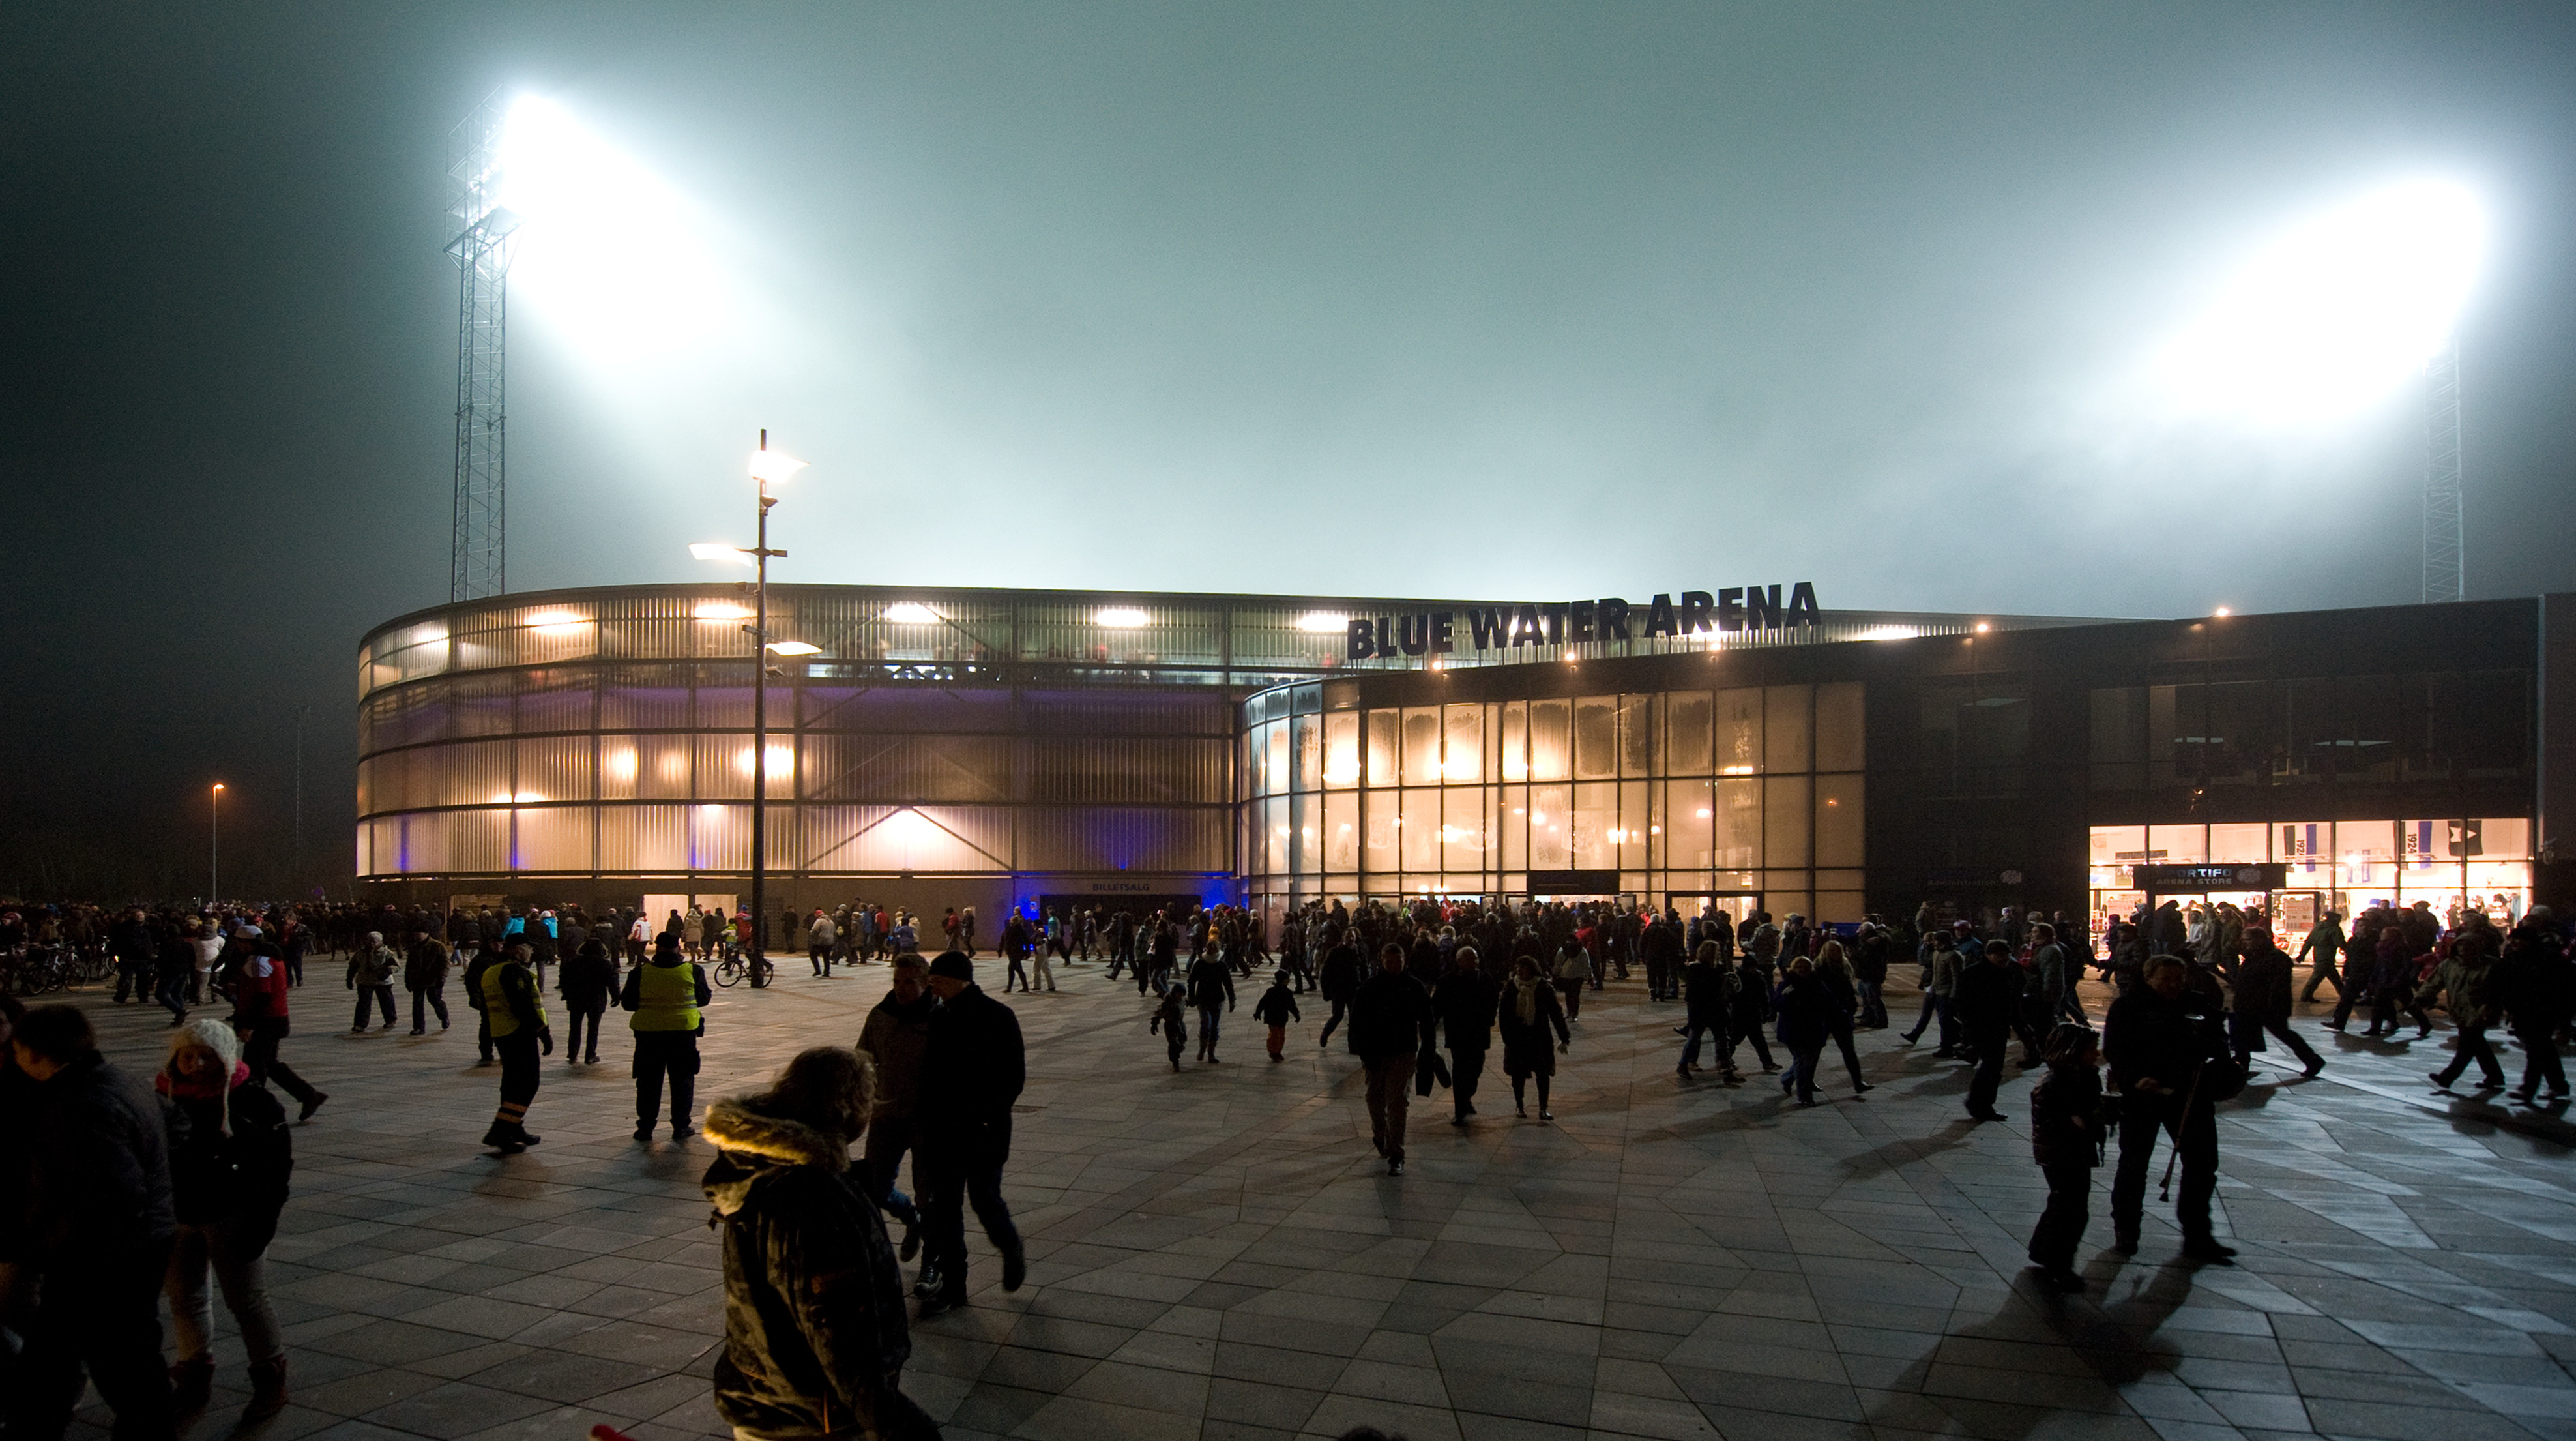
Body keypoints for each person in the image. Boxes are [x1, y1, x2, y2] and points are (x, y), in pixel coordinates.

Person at [701, 1048, 939, 1440]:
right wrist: (896, 1424)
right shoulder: (814, 1198)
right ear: (844, 1109)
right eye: (867, 1099)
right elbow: (837, 1331)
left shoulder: (761, 1168)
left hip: (765, 1396)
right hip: (811, 1415)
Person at [8, 1005, 178, 1441]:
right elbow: (176, 1125)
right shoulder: (114, 1080)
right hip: (130, 1247)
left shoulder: (81, 1105)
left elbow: (115, 1197)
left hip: (101, 1260)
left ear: (32, 1052)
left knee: (118, 1364)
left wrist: (65, 1248)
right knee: (71, 1361)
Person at [157, 1018, 293, 1420]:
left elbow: (275, 1169)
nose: (197, 1065)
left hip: (233, 1215)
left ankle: (270, 1377)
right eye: (188, 1056)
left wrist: (262, 1223)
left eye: (208, 1057)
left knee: (246, 1299)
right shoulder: (163, 1099)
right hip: (179, 1216)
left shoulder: (253, 1101)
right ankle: (194, 1373)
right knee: (185, 1298)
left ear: (226, 1058)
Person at [915, 953, 1025, 1317]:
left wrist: (986, 1117)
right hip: (943, 1131)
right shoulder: (939, 1016)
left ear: (956, 981)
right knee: (946, 1209)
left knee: (984, 1200)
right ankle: (954, 1287)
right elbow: (930, 1075)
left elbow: (1013, 1078)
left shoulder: (998, 1016)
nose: (933, 988)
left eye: (937, 982)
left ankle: (1010, 1246)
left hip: (983, 1131)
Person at [2105, 955, 2236, 1264]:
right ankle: (2126, 1228)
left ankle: (2198, 1234)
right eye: (2166, 979)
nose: (2174, 985)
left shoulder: (2197, 1003)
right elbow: (2116, 1049)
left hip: (2189, 1094)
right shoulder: (2128, 1006)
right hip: (2144, 1094)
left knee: (2202, 1164)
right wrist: (2136, 1078)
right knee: (2134, 1164)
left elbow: (2219, 1042)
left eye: (2179, 979)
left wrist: (2212, 1046)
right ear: (2149, 977)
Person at [855, 955, 933, 1292]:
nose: (901, 989)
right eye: (897, 982)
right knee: (875, 1186)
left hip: (928, 1120)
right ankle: (911, 1218)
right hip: (886, 1115)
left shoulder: (940, 1018)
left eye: (909, 983)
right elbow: (863, 1059)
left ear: (926, 984)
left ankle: (932, 1263)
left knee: (929, 1194)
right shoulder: (881, 1015)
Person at [2026, 1022, 2106, 1293]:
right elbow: (2050, 1120)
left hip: (2078, 1149)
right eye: (2090, 1049)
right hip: (2060, 1152)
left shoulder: (2087, 1076)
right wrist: (2076, 1122)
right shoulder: (2054, 1083)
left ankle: (2043, 1250)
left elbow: (2093, 1111)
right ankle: (2059, 1264)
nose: (2096, 1054)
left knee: (2064, 1202)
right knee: (2072, 1208)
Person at [1349, 942, 1435, 1173]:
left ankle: (1397, 1153)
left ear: (1405, 961)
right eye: (1390, 962)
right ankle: (1381, 1134)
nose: (1395, 966)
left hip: (1403, 1052)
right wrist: (1362, 1051)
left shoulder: (1413, 986)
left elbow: (1427, 1018)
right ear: (1382, 961)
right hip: (1375, 1052)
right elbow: (1357, 1020)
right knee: (1374, 1100)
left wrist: (1428, 1048)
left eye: (1399, 961)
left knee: (1397, 1102)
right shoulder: (1370, 987)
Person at [229, 925, 327, 1121]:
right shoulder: (273, 957)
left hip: (266, 1021)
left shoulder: (258, 961)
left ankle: (257, 1108)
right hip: (276, 1019)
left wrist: (248, 1025)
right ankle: (308, 1095)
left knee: (254, 1068)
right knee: (269, 1064)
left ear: (245, 943)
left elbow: (262, 996)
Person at [622, 932, 711, 1141]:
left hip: (648, 1036)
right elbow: (704, 998)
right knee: (683, 1082)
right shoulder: (693, 971)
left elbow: (628, 1003)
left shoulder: (640, 973)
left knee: (648, 1083)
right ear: (678, 948)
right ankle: (681, 1126)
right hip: (683, 1035)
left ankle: (645, 1128)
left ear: (658, 948)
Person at [479, 942, 553, 1153]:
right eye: (529, 947)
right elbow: (523, 1005)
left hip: (501, 1031)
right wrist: (543, 1032)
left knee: (512, 1083)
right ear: (519, 949)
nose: (532, 951)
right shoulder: (514, 972)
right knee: (526, 1084)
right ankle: (501, 1131)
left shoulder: (491, 971)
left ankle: (514, 1128)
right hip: (519, 1032)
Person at [2231, 928, 2324, 1077]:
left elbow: (2278, 984)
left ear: (2260, 940)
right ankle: (2241, 1063)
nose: (2245, 943)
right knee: (2244, 1033)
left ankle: (2312, 1059)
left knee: (2282, 1032)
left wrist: (2273, 1003)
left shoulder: (2276, 958)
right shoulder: (2253, 956)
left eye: (2248, 940)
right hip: (2250, 1003)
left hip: (2269, 1004)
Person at [2423, 932, 2506, 1091]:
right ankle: (2495, 1075)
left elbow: (2498, 989)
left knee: (2467, 1046)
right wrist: (2423, 997)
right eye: (2460, 945)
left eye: (2468, 945)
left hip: (2480, 1011)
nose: (2463, 948)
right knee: (2478, 1045)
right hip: (2459, 1010)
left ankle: (2447, 1077)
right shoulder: (2450, 965)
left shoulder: (2490, 965)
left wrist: (2491, 1006)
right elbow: (2434, 982)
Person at [1954, 940, 2023, 1123]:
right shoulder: (1974, 973)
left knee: (1994, 1068)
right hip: (1983, 1028)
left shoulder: (2007, 972)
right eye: (1999, 955)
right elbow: (1963, 1004)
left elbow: (2012, 1002)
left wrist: (2018, 1024)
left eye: (2006, 955)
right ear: (1988, 955)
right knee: (1991, 1067)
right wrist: (1968, 1029)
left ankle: (1981, 1103)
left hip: (1999, 1027)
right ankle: (1980, 1104)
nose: (2003, 959)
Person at [1497, 955, 1570, 1121]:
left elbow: (1556, 1014)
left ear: (1532, 970)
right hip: (1518, 1037)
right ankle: (1520, 1105)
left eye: (1524, 968)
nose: (1520, 971)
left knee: (1543, 1073)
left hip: (1539, 1036)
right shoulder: (1511, 987)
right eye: (1518, 968)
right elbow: (1504, 1015)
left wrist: (1564, 1037)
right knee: (1518, 1074)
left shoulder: (1543, 987)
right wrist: (1507, 1037)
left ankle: (1543, 1107)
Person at [1433, 947, 1499, 1126]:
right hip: (1458, 1032)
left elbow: (1493, 1000)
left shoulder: (1485, 979)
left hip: (1478, 1032)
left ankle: (1467, 1096)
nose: (1474, 962)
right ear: (1459, 961)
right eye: (1469, 959)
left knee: (1476, 1067)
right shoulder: (1448, 981)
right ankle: (1460, 1109)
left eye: (1475, 959)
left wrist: (1489, 1018)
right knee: (1460, 1070)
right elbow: (1437, 1004)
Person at [1771, 956, 1833, 1107]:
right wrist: (1787, 997)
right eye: (1799, 968)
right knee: (1802, 1061)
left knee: (1807, 1061)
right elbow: (1776, 1004)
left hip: (1813, 1027)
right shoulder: (1788, 984)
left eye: (1806, 968)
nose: (1802, 971)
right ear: (1794, 969)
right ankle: (1805, 1095)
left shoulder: (1817, 983)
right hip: (1794, 1029)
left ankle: (1788, 1079)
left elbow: (1828, 1001)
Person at [1676, 942, 1740, 1082]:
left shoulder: (1708, 968)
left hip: (1711, 1008)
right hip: (1705, 1008)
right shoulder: (1700, 969)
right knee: (1698, 1038)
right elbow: (1697, 992)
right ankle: (1684, 1065)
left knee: (1718, 1038)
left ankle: (1724, 1067)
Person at [560, 935, 621, 1065]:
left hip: (576, 998)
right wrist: (616, 997)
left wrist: (566, 994)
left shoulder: (574, 962)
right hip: (596, 999)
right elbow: (613, 982)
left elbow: (564, 979)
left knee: (575, 1027)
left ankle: (572, 1053)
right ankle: (590, 1055)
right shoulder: (606, 964)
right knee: (593, 1028)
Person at [1184, 945, 1235, 1063]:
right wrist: (1191, 996)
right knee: (1206, 1024)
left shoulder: (1221, 965)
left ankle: (1211, 1052)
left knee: (1214, 1027)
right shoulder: (1200, 964)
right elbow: (1192, 981)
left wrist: (1232, 999)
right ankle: (1203, 1048)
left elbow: (1228, 983)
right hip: (1202, 999)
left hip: (1217, 999)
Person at [347, 930, 400, 1032]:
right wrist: (349, 979)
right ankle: (360, 1024)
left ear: (380, 942)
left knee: (387, 1002)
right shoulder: (360, 953)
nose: (371, 944)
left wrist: (389, 971)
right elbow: (353, 966)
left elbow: (396, 965)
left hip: (383, 982)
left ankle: (390, 1020)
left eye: (374, 942)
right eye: (369, 941)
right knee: (363, 1003)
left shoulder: (387, 953)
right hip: (365, 981)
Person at [1316, 930, 1362, 1045]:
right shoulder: (1335, 952)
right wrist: (1326, 990)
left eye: (1352, 936)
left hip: (1354, 988)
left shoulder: (1358, 951)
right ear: (1343, 938)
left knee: (1354, 1016)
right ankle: (1326, 1032)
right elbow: (1326, 971)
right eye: (1348, 936)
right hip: (1339, 988)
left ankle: (1353, 1043)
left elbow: (1363, 969)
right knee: (1338, 1015)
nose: (1350, 939)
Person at [2295, 909, 2347, 1002]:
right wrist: (2349, 950)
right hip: (2328, 956)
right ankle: (2306, 995)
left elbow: (2308, 943)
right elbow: (2340, 942)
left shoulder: (2318, 929)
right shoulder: (2335, 929)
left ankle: (2345, 995)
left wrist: (2302, 955)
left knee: (2332, 977)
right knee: (2320, 977)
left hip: (2318, 956)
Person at [1254, 968, 1302, 1062]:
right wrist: (1297, 1015)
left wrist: (1258, 1013)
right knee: (1277, 1035)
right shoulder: (1283, 992)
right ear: (1284, 981)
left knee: (1278, 1035)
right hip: (1277, 1017)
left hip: (1276, 1017)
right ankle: (1274, 1051)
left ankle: (1276, 1051)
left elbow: (1262, 1003)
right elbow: (1291, 1006)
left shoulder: (1275, 992)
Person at [1150, 985, 1189, 1071]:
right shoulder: (1167, 1003)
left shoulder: (1183, 1001)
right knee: (1174, 1043)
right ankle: (1175, 1062)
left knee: (1182, 1040)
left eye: (1182, 995)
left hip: (1180, 1024)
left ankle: (1177, 1052)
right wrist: (1154, 1024)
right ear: (1174, 994)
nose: (1180, 997)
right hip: (1170, 1025)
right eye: (1179, 995)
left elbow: (1190, 1002)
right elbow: (1159, 1013)